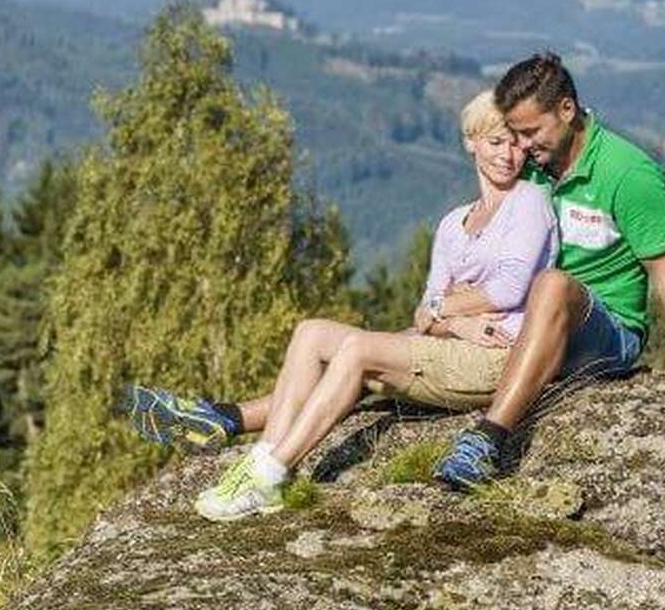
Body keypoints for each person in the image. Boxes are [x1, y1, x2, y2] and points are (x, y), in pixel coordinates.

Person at [122, 89, 558, 522]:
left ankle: (271, 470)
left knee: (357, 351)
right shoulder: (452, 224)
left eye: (517, 143)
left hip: (499, 357)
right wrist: (455, 318)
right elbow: (424, 310)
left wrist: (444, 309)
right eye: (496, 142)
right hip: (455, 345)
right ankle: (260, 464)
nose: (509, 154)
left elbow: (508, 291)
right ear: (471, 141)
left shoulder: (529, 202)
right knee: (311, 333)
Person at [432, 52, 665, 489]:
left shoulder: (628, 173)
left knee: (553, 285)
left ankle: (487, 441)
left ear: (567, 110)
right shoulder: (533, 170)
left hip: (608, 332)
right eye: (515, 134)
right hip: (532, 321)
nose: (523, 146)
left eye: (532, 132)